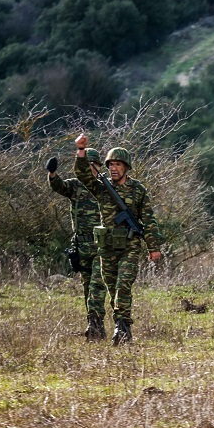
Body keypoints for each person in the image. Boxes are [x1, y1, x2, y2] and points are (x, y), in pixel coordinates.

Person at [73, 136, 162, 345]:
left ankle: (123, 330)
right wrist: (80, 150)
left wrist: (153, 247)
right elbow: (82, 175)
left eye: (118, 165)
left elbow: (149, 220)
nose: (113, 168)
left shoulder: (138, 190)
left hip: (129, 247)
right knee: (112, 289)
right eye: (111, 164)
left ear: (126, 167)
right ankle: (115, 324)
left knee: (123, 285)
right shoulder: (102, 188)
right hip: (107, 248)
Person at [47, 149, 109, 340]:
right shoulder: (75, 186)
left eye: (92, 166)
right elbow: (59, 186)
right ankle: (93, 324)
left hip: (102, 243)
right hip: (82, 244)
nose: (89, 169)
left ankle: (96, 324)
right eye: (85, 166)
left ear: (98, 167)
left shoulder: (105, 186)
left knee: (98, 285)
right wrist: (52, 174)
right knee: (87, 285)